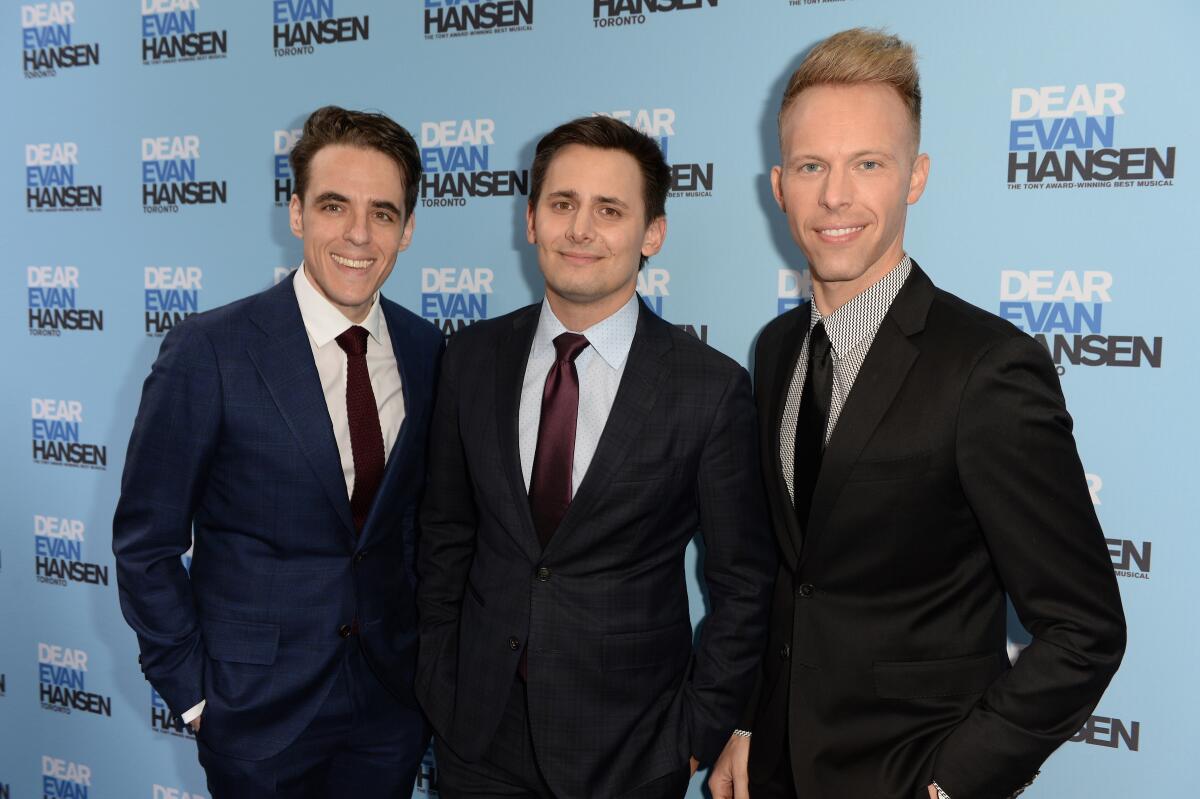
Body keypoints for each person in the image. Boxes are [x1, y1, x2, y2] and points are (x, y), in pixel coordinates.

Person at [709, 28, 1126, 799]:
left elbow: (1085, 629)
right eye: (812, 166)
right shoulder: (773, 350)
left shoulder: (988, 367)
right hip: (774, 770)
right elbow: (790, 576)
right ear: (778, 185)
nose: (836, 196)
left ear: (916, 177)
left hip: (906, 776)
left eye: (868, 163)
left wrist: (952, 783)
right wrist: (746, 720)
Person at [416, 115, 776, 799]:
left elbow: (744, 582)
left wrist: (695, 730)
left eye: (609, 210)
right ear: (531, 221)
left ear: (652, 234)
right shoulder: (470, 359)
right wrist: (440, 676)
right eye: (562, 204)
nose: (581, 230)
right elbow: (445, 536)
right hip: (477, 739)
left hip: (632, 752)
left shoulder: (709, 387)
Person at [112, 105, 442, 798]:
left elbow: (415, 528)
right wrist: (197, 697)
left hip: (387, 707)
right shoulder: (211, 350)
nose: (358, 233)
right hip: (254, 715)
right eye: (334, 206)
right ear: (296, 214)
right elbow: (146, 542)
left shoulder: (427, 350)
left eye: (383, 213)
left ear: (408, 230)